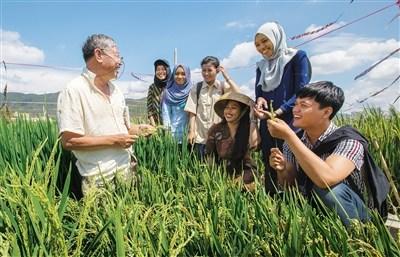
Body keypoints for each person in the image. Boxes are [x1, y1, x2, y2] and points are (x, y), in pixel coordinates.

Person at [267, 81, 389, 226]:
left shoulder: (349, 141)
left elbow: (327, 179)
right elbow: (290, 187)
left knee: (330, 192)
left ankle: (358, 237)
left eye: (303, 106)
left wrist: (289, 136)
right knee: (281, 198)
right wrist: (282, 170)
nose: (295, 110)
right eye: (296, 104)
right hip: (315, 206)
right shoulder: (293, 143)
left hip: (356, 214)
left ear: (326, 112)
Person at [57, 34, 155, 196]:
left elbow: (125, 129)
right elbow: (69, 141)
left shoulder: (117, 91)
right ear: (99, 55)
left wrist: (139, 129)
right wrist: (115, 141)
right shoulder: (74, 90)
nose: (120, 62)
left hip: (127, 169)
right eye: (117, 56)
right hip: (99, 180)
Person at [252, 21, 312, 195]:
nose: (262, 47)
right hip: (268, 123)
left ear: (276, 38)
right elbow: (259, 93)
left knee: (291, 162)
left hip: (291, 122)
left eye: (265, 41)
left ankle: (297, 204)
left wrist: (279, 111)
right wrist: (260, 102)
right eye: (257, 45)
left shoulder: (297, 57)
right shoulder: (261, 66)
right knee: (270, 161)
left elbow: (302, 91)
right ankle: (272, 203)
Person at [185, 56, 240, 159]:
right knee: (199, 169)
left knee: (218, 171)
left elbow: (239, 94)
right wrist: (191, 131)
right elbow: (192, 112)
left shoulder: (223, 87)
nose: (206, 73)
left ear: (217, 70)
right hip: (200, 138)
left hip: (219, 138)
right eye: (204, 70)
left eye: (210, 70)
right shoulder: (197, 88)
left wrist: (226, 76)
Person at [206, 91, 260, 191]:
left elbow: (255, 146)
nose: (228, 111)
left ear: (243, 111)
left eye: (233, 108)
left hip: (248, 178)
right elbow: (210, 158)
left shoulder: (249, 130)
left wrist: (253, 119)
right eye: (227, 107)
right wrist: (213, 180)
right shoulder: (215, 130)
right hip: (223, 178)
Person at [161, 64, 192, 143]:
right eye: (177, 73)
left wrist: (192, 131)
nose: (179, 76)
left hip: (189, 135)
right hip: (172, 135)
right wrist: (167, 133)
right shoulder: (168, 93)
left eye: (183, 74)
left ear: (187, 75)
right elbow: (166, 114)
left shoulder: (192, 91)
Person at [147, 59, 171, 126]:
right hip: (157, 126)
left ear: (167, 70)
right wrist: (155, 127)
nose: (160, 72)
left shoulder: (172, 86)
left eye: (163, 69)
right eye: (158, 69)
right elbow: (149, 109)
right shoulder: (152, 87)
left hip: (172, 127)